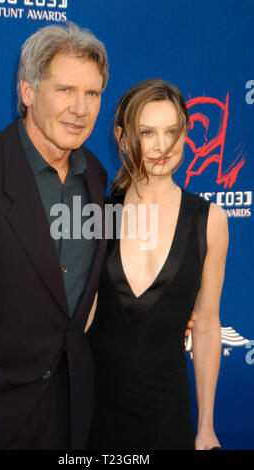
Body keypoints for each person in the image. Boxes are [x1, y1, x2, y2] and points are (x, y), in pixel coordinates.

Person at [0, 23, 109, 450]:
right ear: (28, 92)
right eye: (65, 90)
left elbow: (84, 293)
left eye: (92, 94)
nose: (80, 108)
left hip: (71, 414)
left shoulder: (96, 176)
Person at [87, 79, 228, 450]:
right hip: (90, 413)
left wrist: (207, 426)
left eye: (172, 131)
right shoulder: (94, 215)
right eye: (147, 132)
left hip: (167, 413)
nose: (162, 146)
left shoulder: (210, 220)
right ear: (121, 137)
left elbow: (208, 324)